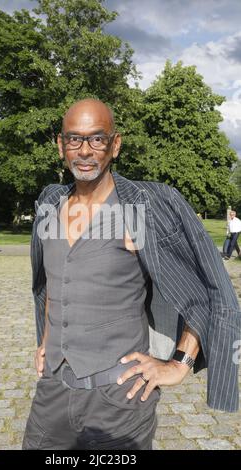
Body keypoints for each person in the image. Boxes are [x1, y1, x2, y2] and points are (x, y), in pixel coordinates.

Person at [23, 99, 240, 450]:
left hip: (120, 400)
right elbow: (49, 281)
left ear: (116, 144)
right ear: (60, 145)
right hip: (52, 391)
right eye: (74, 139)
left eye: (97, 139)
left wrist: (179, 363)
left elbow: (207, 287)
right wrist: (46, 338)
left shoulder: (145, 207)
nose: (85, 151)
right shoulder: (49, 204)